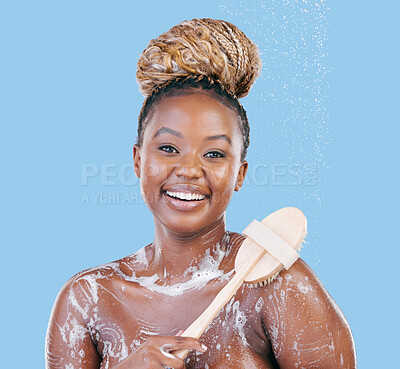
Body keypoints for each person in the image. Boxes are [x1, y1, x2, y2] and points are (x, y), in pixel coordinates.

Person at [45, 18, 356, 369]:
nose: (190, 170)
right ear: (137, 160)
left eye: (214, 154)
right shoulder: (87, 299)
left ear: (239, 174)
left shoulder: (279, 285)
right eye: (167, 148)